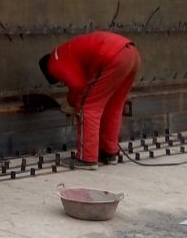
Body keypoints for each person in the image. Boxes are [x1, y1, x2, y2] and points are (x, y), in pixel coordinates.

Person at [38, 32, 141, 169]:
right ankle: (108, 152)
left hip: (112, 56)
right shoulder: (65, 53)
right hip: (131, 54)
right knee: (112, 106)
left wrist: (71, 103)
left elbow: (78, 87)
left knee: (87, 107)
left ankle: (87, 158)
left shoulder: (53, 64)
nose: (62, 82)